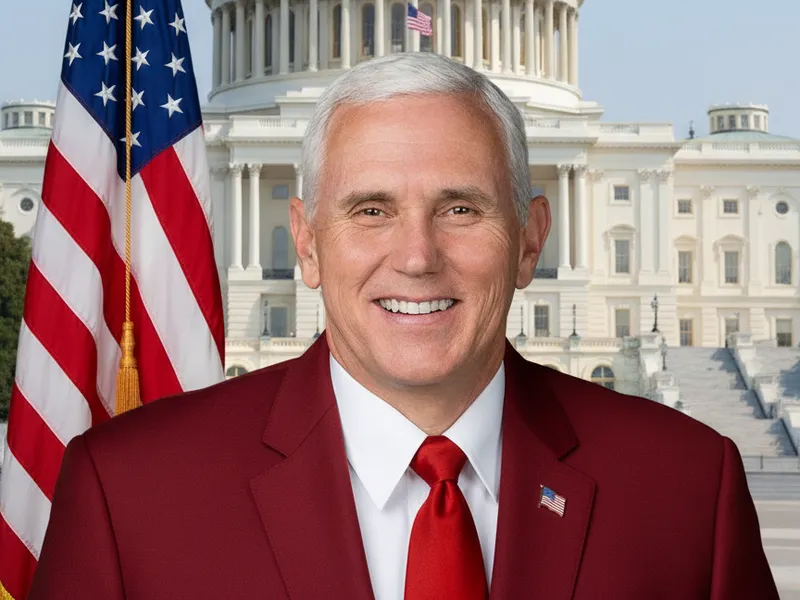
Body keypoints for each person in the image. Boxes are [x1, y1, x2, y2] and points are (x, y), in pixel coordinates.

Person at [31, 53, 777, 599]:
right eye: (371, 210)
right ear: (307, 242)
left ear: (529, 239)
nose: (417, 258)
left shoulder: (685, 489)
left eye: (461, 209)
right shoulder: (129, 494)